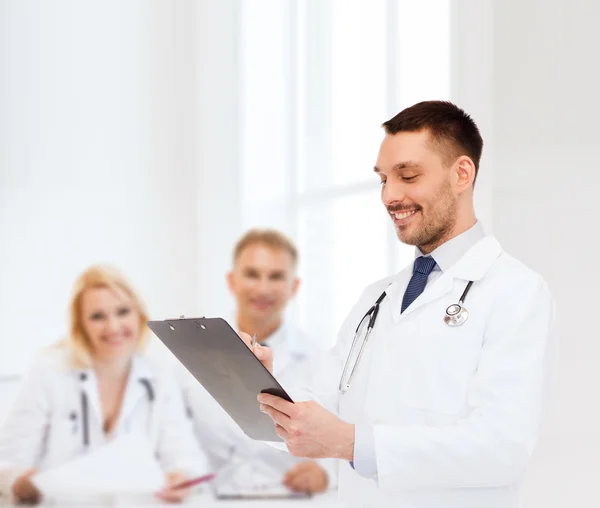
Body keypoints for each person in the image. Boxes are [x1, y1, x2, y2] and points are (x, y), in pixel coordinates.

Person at [246, 101, 558, 507]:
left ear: (462, 174)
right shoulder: (377, 297)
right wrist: (261, 387)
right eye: (383, 179)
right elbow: (320, 406)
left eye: (408, 176)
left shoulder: (516, 292)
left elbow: (502, 449)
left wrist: (355, 444)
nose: (390, 196)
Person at [0, 265, 210, 504]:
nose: (113, 327)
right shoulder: (49, 371)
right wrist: (22, 482)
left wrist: (180, 476)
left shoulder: (159, 375)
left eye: (122, 312)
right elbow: (6, 464)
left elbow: (185, 454)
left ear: (139, 315)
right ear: (81, 325)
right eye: (97, 316)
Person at [179, 229, 335, 495]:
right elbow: (174, 438)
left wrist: (325, 474)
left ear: (294, 287)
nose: (263, 288)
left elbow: (340, 438)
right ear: (232, 281)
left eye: (275, 276)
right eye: (252, 274)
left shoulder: (319, 360)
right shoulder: (190, 352)